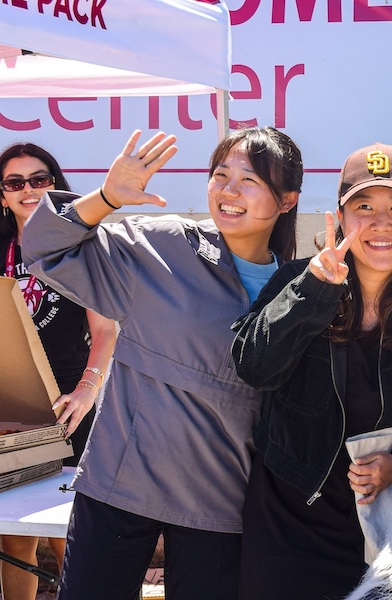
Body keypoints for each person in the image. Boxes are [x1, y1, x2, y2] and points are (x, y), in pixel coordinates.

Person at [20, 126, 302, 600]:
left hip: (219, 502)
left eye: (249, 180)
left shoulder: (295, 290)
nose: (229, 191)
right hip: (117, 488)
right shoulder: (163, 244)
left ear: (288, 200)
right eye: (220, 174)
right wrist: (107, 197)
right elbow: (45, 249)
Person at [231, 143, 392, 599]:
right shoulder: (299, 279)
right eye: (364, 207)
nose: (381, 224)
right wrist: (314, 291)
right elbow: (253, 367)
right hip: (287, 522)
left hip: (386, 529)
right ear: (340, 216)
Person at [0, 143, 117, 600]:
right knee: (14, 539)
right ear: (2, 194)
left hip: (71, 406)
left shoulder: (80, 242)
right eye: (15, 182)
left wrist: (88, 391)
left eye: (40, 178)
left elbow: (105, 330)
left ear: (56, 184)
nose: (29, 189)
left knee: (71, 538)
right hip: (13, 410)